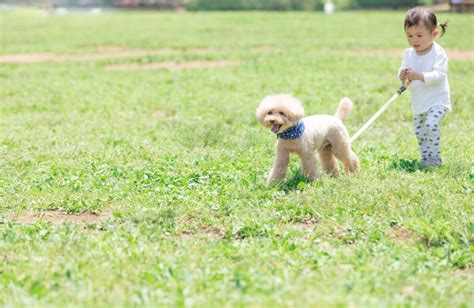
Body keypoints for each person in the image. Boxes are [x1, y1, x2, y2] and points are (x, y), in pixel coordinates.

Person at [398, 6, 450, 167]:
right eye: (410, 36)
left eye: (419, 35)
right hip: (419, 103)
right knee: (420, 132)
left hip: (438, 101)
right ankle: (425, 158)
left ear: (433, 33)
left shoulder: (438, 53)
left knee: (431, 124)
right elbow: (403, 72)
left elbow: (439, 75)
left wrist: (419, 76)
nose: (415, 40)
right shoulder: (409, 53)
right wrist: (402, 75)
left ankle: (435, 159)